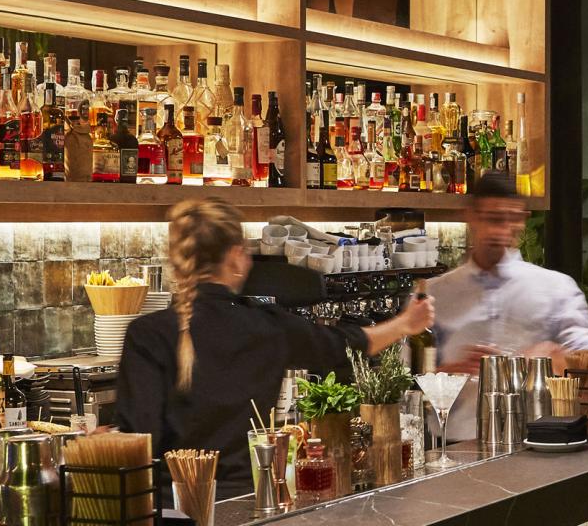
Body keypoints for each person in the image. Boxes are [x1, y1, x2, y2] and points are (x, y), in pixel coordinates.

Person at [117, 198, 434, 497]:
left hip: (170, 507)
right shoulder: (266, 326)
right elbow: (347, 346)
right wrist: (405, 323)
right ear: (236, 256)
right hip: (251, 501)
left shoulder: (146, 334)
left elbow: (138, 441)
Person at [430, 171, 588, 439]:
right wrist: (448, 375)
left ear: (522, 219)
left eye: (510, 219)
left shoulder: (557, 288)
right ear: (471, 216)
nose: (501, 230)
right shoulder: (435, 294)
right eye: (492, 219)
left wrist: (545, 359)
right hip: (453, 444)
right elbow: (407, 380)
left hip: (537, 439)